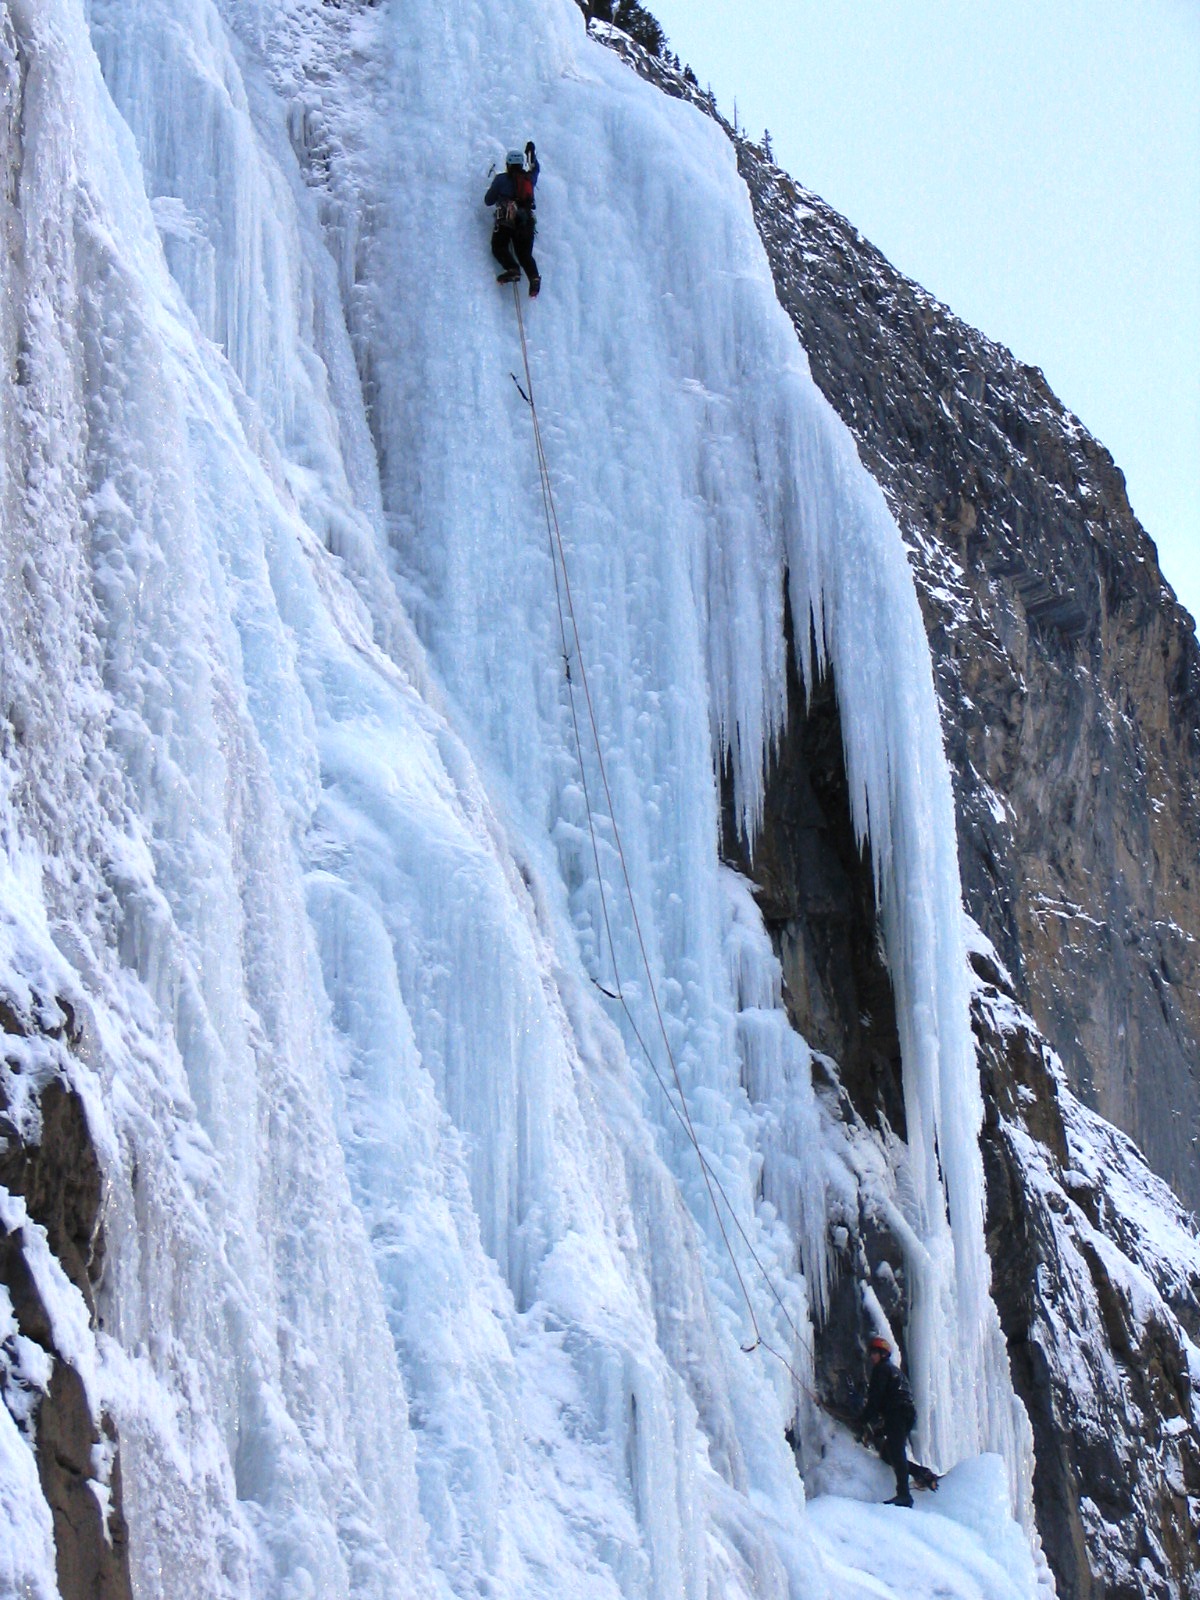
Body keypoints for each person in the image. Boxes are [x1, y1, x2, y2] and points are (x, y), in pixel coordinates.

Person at [856, 1335, 918, 1507]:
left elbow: (876, 1399)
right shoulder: (894, 1371)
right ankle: (920, 1473)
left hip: (897, 1413)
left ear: (883, 1354)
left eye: (875, 1353)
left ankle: (904, 1495)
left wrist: (863, 1419)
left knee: (896, 1452)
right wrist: (880, 1429)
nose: (872, 1356)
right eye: (872, 1353)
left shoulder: (882, 1370)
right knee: (888, 1453)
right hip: (905, 1414)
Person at [485, 142, 540, 297]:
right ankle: (534, 277)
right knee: (524, 254)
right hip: (526, 222)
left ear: (508, 164)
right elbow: (536, 169)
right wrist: (532, 154)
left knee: (499, 246)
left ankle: (512, 269)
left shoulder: (501, 179)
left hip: (507, 221)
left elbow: (488, 200)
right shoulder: (529, 179)